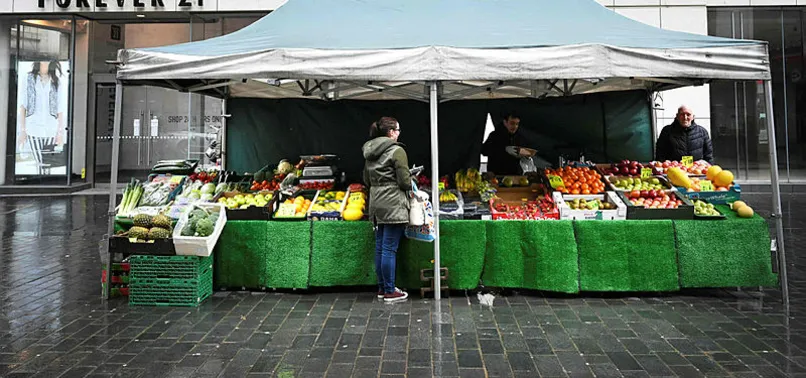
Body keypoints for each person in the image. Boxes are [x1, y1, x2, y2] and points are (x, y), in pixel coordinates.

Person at [363, 116, 412, 303]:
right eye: (397, 130)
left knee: (380, 247)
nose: (399, 133)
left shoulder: (369, 152)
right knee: (389, 249)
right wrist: (411, 180)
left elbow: (366, 180)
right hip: (393, 203)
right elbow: (404, 181)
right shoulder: (397, 150)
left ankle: (383, 288)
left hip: (376, 203)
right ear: (391, 132)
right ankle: (390, 291)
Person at [17, 60, 67, 171]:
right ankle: (43, 181)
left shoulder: (56, 81)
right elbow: (23, 106)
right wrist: (22, 131)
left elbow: (60, 109)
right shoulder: (28, 78)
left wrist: (60, 132)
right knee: (41, 163)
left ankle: (44, 181)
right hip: (33, 129)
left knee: (46, 164)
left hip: (51, 129)